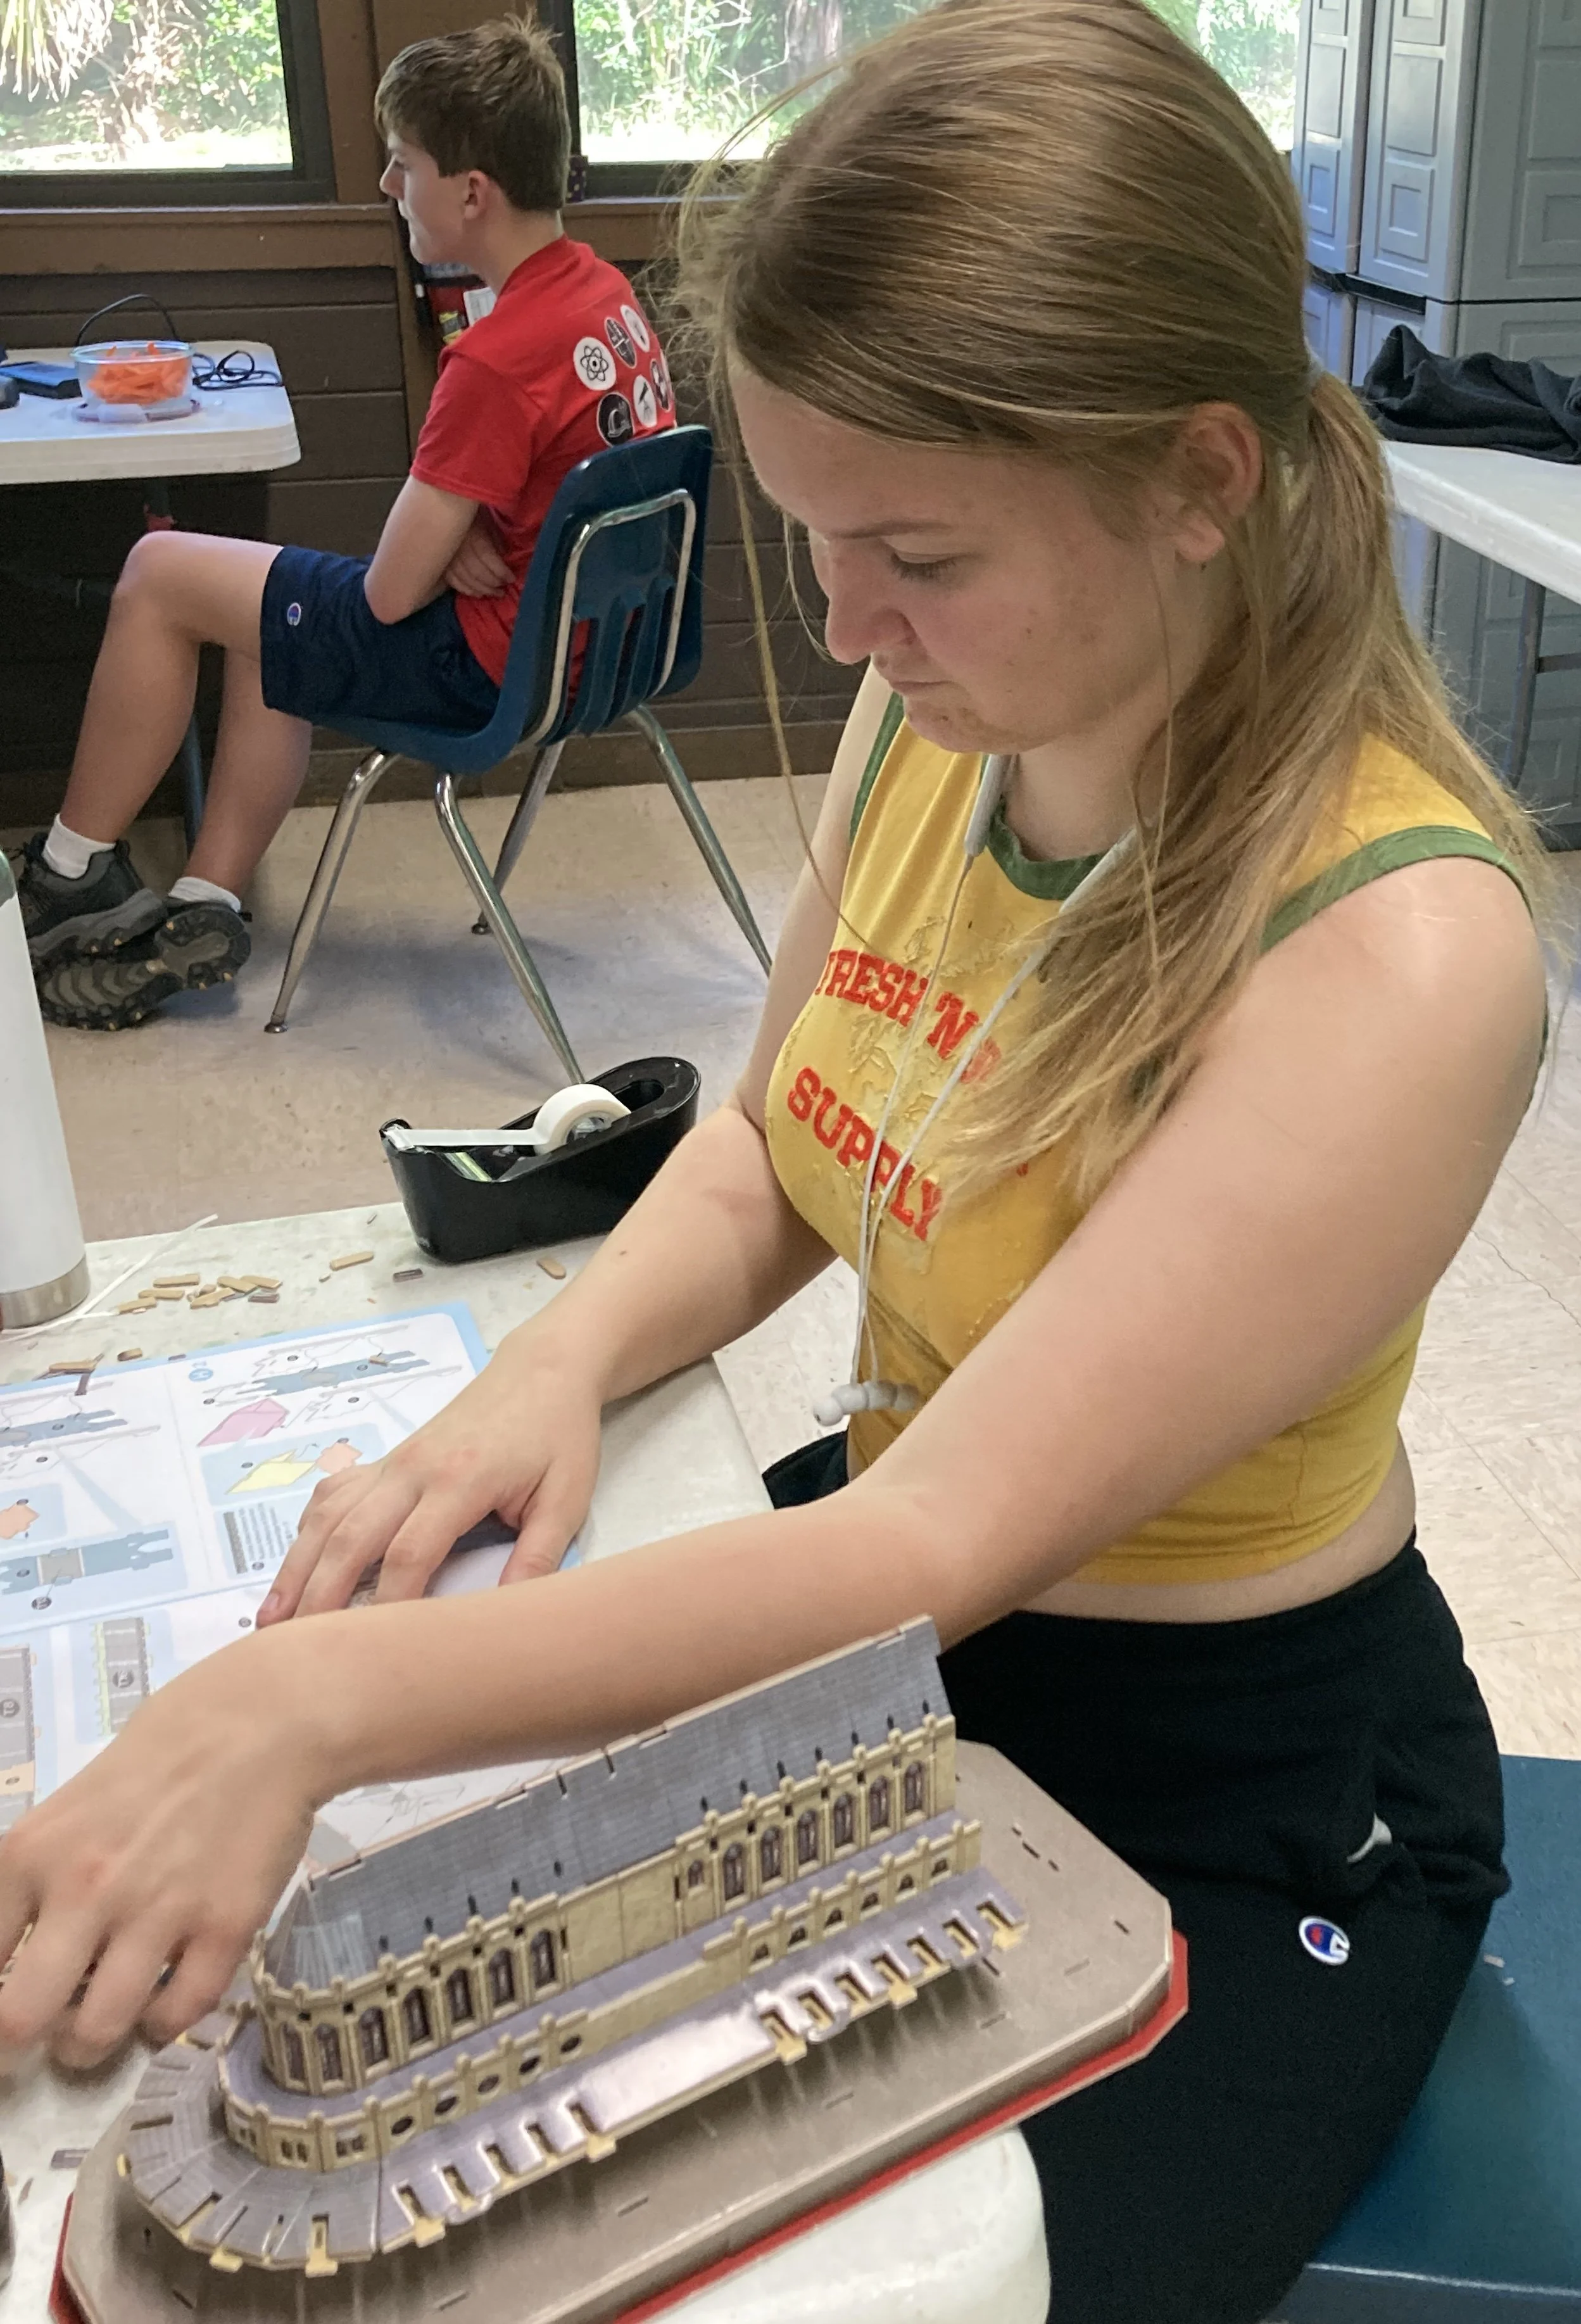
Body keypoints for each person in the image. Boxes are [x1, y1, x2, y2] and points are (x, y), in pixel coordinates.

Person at [0, 4, 1553, 2318]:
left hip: (1224, 1793)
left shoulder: (1395, 958)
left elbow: (940, 1537)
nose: (840, 630)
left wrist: (299, 1712)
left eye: (912, 550)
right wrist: (555, 1366)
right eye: (814, 539)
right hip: (924, 1654)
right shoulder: (947, 715)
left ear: (1198, 479)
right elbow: (767, 1151)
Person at [16, 14, 673, 1033]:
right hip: (595, 652)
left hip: (482, 668)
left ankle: (63, 873)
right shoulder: (605, 298)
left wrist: (444, 540)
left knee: (157, 572)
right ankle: (206, 900)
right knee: (269, 615)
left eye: (401, 163)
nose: (385, 186)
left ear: (470, 191)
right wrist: (466, 530)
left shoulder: (495, 357)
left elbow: (387, 595)